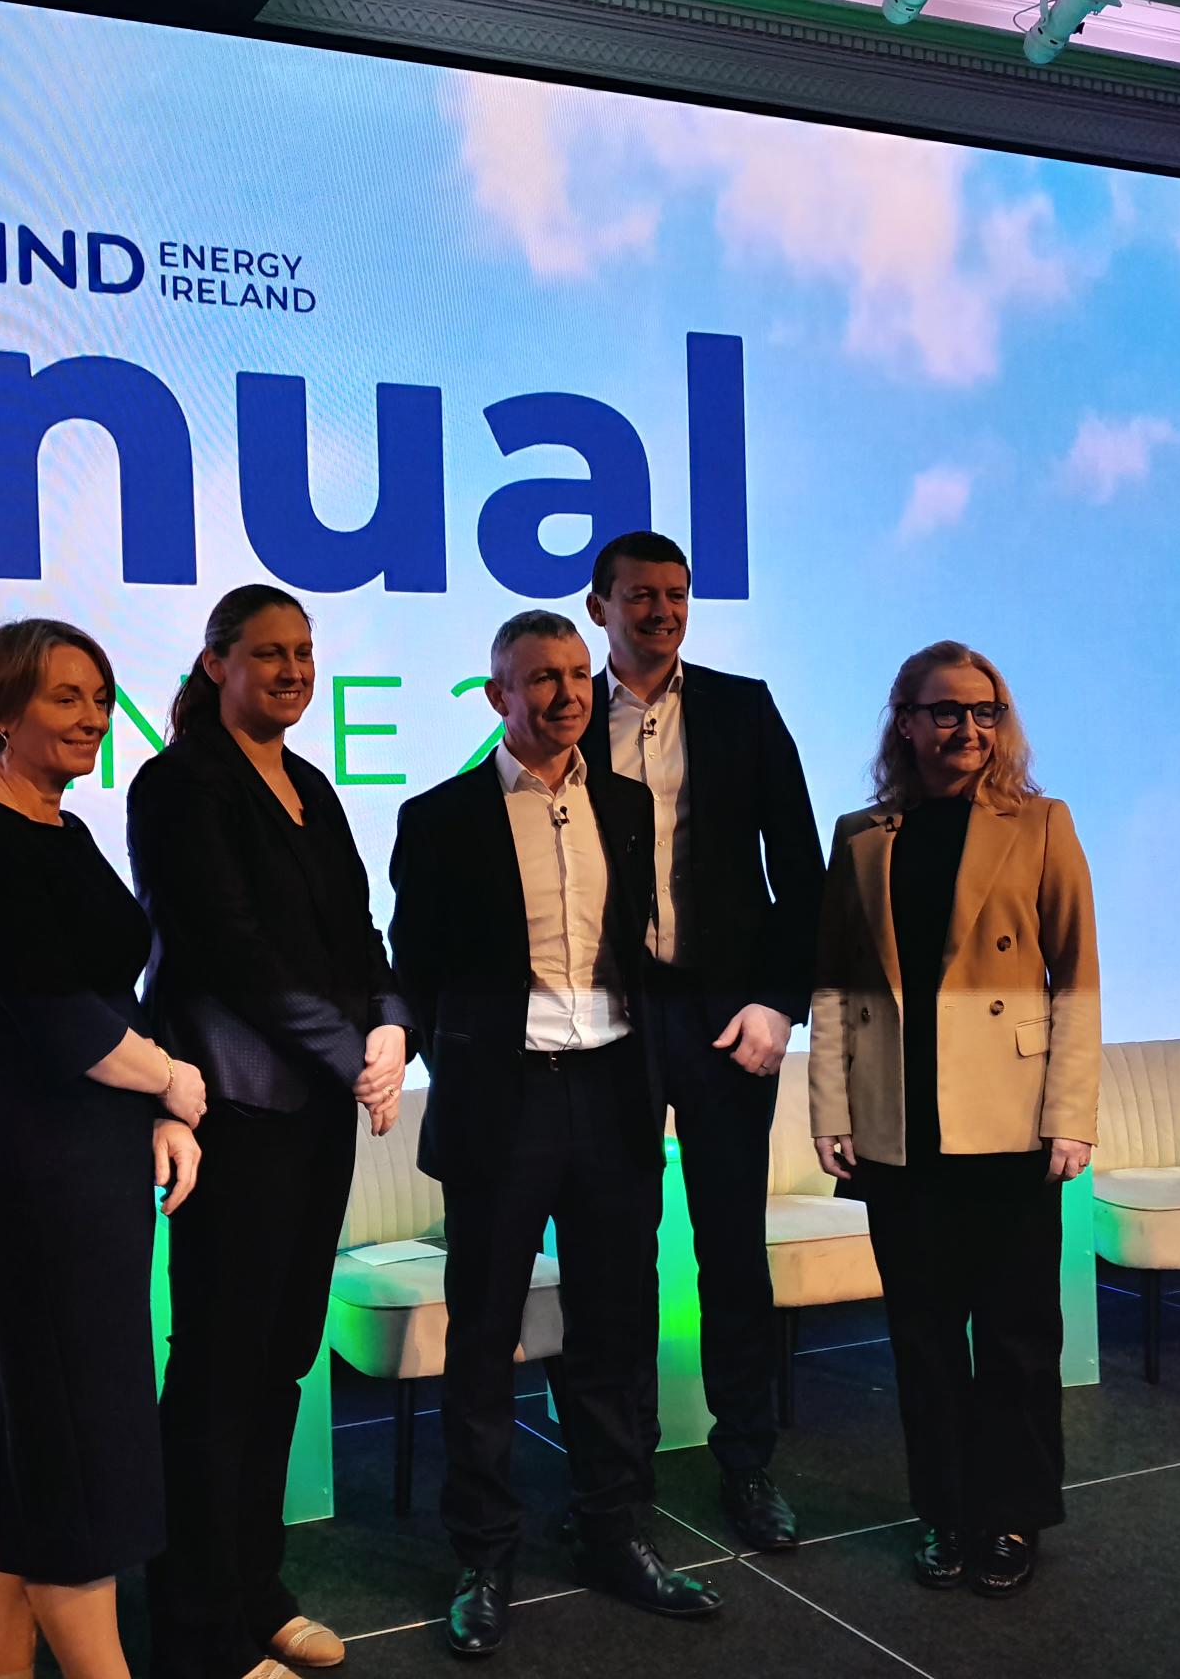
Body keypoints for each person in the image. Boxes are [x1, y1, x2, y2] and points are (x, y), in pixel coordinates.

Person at [389, 610, 723, 1659]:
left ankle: (614, 1530)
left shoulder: (625, 802)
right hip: (504, 1102)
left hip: (615, 1091)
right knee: (484, 1335)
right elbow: (417, 966)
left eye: (578, 674)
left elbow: (639, 943)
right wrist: (470, 1063)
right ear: (498, 695)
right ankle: (485, 1553)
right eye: (541, 678)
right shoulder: (440, 817)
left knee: (614, 1330)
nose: (568, 693)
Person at [128, 585, 414, 1679]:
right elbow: (231, 953)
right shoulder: (176, 785)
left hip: (315, 1118)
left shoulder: (313, 786)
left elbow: (361, 935)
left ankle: (259, 1597)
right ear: (217, 665)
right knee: (217, 1376)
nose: (293, 671)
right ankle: (197, 1635)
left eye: (304, 652)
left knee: (282, 1367)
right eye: (268, 653)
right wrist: (348, 1054)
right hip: (232, 1115)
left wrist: (390, 1027)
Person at [0, 618, 209, 1679]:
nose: (92, 717)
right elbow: (59, 1019)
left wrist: (163, 1111)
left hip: (95, 1160)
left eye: (99, 697)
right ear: (1, 713)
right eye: (64, 697)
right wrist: (173, 1080)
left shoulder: (66, 831)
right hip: (37, 1171)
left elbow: (114, 995)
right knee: (77, 1450)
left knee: (34, 1428)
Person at [808, 640, 1099, 1600]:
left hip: (1010, 1122)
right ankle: (941, 1510)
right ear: (905, 721)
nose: (967, 728)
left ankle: (1011, 1514)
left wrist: (1071, 1116)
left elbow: (1077, 981)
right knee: (922, 1339)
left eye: (984, 711)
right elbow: (834, 987)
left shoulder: (1043, 824)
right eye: (945, 711)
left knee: (1017, 1336)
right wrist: (832, 1107)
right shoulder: (863, 834)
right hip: (900, 1127)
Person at [578, 530, 824, 1551]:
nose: (663, 612)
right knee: (616, 1252)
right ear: (599, 606)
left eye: (676, 594)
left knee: (732, 1250)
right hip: (614, 1022)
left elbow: (801, 872)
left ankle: (748, 1465)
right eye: (641, 595)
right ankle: (621, 1476)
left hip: (729, 1018)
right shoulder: (566, 714)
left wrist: (779, 1003)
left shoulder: (742, 707)